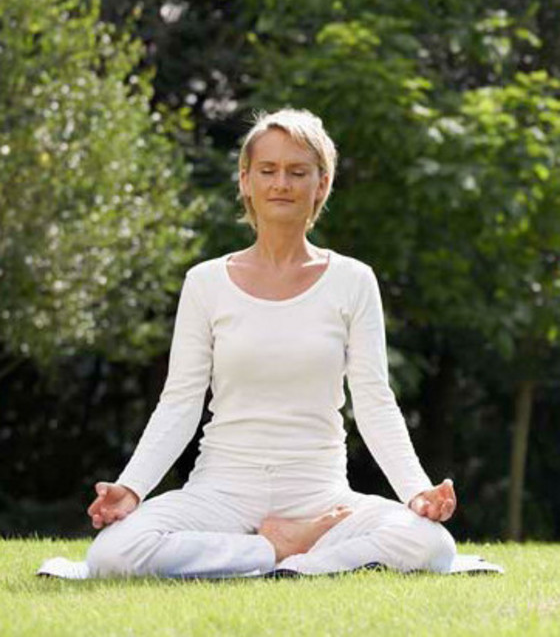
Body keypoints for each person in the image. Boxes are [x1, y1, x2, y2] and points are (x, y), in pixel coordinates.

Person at [85, 108, 457, 579]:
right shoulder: (205, 283)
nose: (281, 183)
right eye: (268, 170)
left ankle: (294, 549)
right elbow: (180, 401)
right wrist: (133, 487)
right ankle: (277, 552)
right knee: (111, 556)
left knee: (431, 547)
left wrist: (416, 491)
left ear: (321, 184)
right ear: (246, 181)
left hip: (319, 495)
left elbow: (374, 401)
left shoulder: (353, 281)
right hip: (220, 491)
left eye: (297, 172)